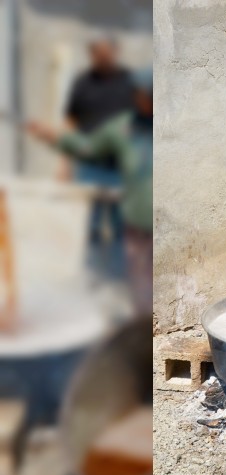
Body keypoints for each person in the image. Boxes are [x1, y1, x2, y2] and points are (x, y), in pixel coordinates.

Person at [28, 68, 153, 316]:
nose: (144, 100)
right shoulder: (122, 129)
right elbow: (88, 148)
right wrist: (54, 137)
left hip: (165, 224)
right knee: (139, 289)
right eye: (140, 94)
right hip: (137, 227)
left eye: (148, 95)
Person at [64, 36, 135, 280]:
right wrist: (65, 163)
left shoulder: (128, 82)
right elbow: (71, 121)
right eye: (97, 54)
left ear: (114, 53)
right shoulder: (82, 83)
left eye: (107, 53)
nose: (102, 58)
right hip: (89, 166)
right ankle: (92, 277)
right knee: (91, 223)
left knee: (118, 225)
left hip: (118, 167)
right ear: (92, 55)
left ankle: (117, 280)